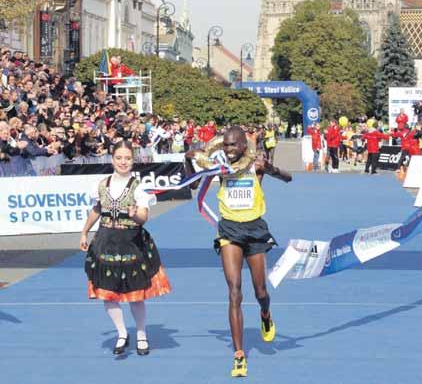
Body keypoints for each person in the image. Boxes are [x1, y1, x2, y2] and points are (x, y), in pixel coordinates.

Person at [186, 126, 292, 378]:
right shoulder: (221, 168)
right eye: (226, 145)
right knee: (234, 291)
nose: (229, 149)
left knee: (260, 291)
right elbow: (192, 185)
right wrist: (188, 159)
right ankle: (239, 355)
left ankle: (266, 314)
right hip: (229, 232)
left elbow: (288, 178)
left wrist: (271, 168)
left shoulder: (255, 166)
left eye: (234, 145)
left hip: (255, 230)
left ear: (245, 146)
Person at [80, 140, 171, 356]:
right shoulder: (101, 184)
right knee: (107, 292)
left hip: (131, 243)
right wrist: (84, 232)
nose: (123, 162)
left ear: (133, 160)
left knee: (135, 294)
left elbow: (144, 217)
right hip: (105, 242)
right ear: (112, 159)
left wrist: (135, 214)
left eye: (127, 158)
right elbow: (97, 210)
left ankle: (141, 334)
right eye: (119, 158)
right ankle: (122, 333)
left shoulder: (139, 187)